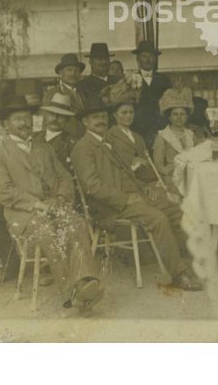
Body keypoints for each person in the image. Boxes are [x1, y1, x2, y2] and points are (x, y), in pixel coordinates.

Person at [0, 95, 104, 314]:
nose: (24, 123)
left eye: (27, 118)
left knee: (76, 223)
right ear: (6, 124)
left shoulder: (44, 148)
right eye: (18, 119)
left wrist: (60, 198)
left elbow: (64, 177)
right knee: (48, 232)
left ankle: (85, 282)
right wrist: (37, 205)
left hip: (54, 204)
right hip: (23, 212)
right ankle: (70, 293)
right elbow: (4, 192)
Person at [71, 103, 202, 291]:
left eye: (103, 116)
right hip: (109, 207)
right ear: (85, 122)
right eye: (94, 118)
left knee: (178, 210)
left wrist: (144, 188)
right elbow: (92, 187)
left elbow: (126, 175)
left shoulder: (105, 143)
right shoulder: (83, 148)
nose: (101, 121)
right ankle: (178, 274)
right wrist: (125, 199)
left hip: (131, 197)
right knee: (157, 219)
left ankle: (202, 262)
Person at [153, 88, 202, 183]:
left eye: (182, 114)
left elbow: (198, 156)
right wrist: (170, 172)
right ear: (169, 117)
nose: (179, 118)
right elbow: (158, 164)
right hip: (172, 178)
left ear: (187, 117)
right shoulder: (163, 136)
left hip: (192, 176)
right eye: (175, 114)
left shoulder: (191, 134)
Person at [130, 40, 172, 148]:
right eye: (144, 56)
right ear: (138, 59)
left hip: (161, 129)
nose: (148, 60)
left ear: (155, 59)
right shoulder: (131, 80)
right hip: (138, 130)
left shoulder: (164, 80)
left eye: (151, 56)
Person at [42, 53, 86, 138]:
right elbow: (47, 121)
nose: (73, 74)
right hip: (63, 141)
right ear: (61, 73)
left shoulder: (81, 93)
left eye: (77, 71)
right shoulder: (53, 93)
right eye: (69, 70)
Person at [33, 93, 77, 171]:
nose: (55, 118)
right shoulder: (33, 138)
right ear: (45, 115)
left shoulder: (72, 144)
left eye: (61, 115)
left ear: (67, 119)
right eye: (51, 113)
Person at [77, 43, 119, 108]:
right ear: (90, 62)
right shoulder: (82, 85)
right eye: (99, 59)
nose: (103, 62)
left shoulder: (118, 81)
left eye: (106, 58)